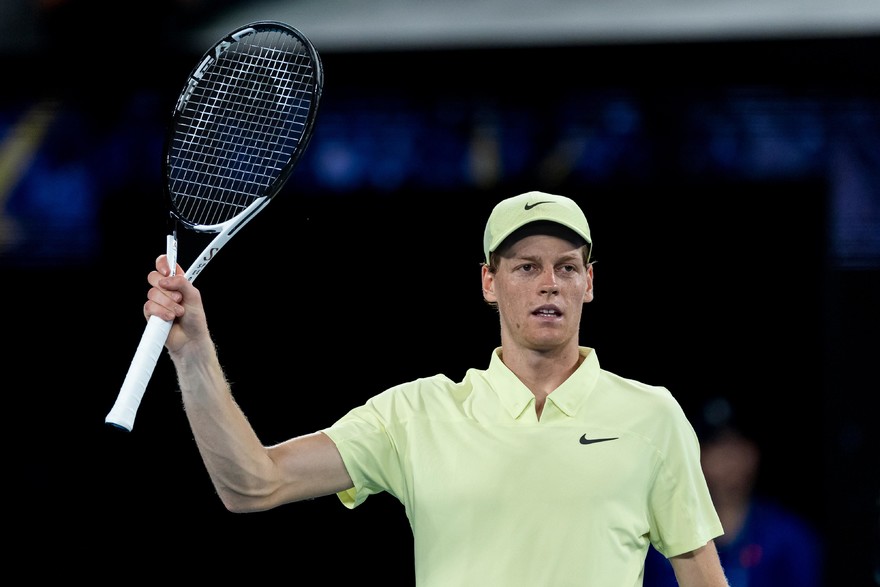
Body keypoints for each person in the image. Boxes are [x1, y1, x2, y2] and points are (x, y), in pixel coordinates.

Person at [143, 190, 730, 586]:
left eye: (567, 267)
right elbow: (253, 484)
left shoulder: (651, 416)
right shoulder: (414, 415)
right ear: (489, 282)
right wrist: (194, 353)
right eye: (526, 266)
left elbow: (702, 575)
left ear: (589, 283)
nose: (549, 282)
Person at [643, 397, 824, 587]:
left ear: (754, 452)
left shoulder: (788, 537)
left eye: (736, 445)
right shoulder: (662, 540)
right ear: (694, 456)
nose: (729, 459)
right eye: (716, 448)